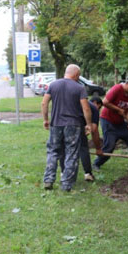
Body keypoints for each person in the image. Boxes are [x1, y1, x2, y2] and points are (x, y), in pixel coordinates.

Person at [41, 64, 92, 192]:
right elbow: (86, 108)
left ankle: (48, 179)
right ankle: (66, 184)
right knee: (72, 153)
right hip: (73, 125)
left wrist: (46, 119)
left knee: (53, 151)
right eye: (79, 75)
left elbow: (44, 102)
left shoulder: (53, 85)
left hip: (56, 124)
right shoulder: (79, 88)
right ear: (75, 74)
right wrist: (89, 124)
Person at [93, 75, 128, 170]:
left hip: (120, 123)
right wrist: (118, 109)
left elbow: (127, 110)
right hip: (108, 120)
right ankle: (96, 163)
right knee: (110, 145)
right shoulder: (117, 88)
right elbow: (105, 102)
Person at [82, 97, 104, 181]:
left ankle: (64, 174)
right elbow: (94, 130)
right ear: (95, 103)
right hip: (78, 129)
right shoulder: (93, 108)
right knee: (83, 149)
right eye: (99, 107)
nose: (98, 109)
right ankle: (88, 173)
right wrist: (98, 148)